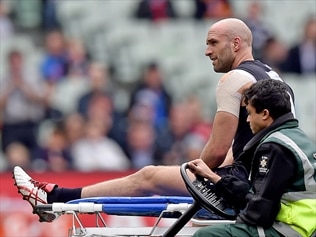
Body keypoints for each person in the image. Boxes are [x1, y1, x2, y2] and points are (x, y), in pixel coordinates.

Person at [12, 18, 295, 222]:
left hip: (245, 183)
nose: (207, 51)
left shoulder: (233, 80)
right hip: (270, 179)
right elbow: (250, 144)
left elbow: (216, 153)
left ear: (236, 43)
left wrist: (192, 174)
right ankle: (59, 198)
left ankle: (55, 198)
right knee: (164, 183)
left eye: (213, 43)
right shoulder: (273, 77)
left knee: (148, 177)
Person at [191, 79, 316, 237]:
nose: (248, 119)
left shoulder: (273, 147)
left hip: (289, 229)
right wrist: (214, 178)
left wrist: (238, 223)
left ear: (265, 114)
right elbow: (259, 194)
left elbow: (261, 209)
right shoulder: (297, 138)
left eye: (250, 113)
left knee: (205, 235)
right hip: (307, 228)